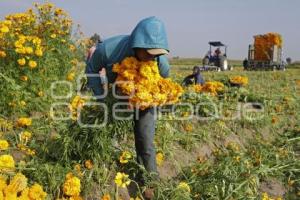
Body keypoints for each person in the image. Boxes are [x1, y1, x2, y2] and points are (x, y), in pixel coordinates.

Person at [85, 17, 170, 197]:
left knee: (145, 139)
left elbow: (164, 80)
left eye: (156, 53)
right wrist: (101, 97)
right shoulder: (109, 49)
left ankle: (150, 181)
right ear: (137, 44)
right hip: (116, 97)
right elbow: (91, 68)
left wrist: (155, 97)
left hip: (144, 101)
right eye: (149, 52)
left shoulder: (160, 61)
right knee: (108, 134)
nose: (152, 57)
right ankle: (106, 173)